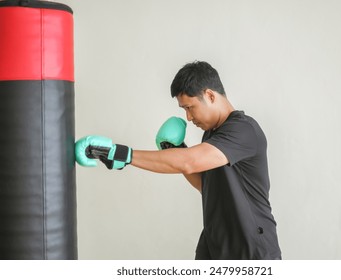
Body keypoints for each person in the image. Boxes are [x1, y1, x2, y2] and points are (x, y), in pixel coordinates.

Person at [75, 61, 281, 260]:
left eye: (190, 107)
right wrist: (175, 149)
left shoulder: (244, 130)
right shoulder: (211, 135)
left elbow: (188, 162)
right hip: (215, 243)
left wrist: (122, 154)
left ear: (210, 95)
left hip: (251, 249)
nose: (188, 117)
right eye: (184, 110)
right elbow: (204, 184)